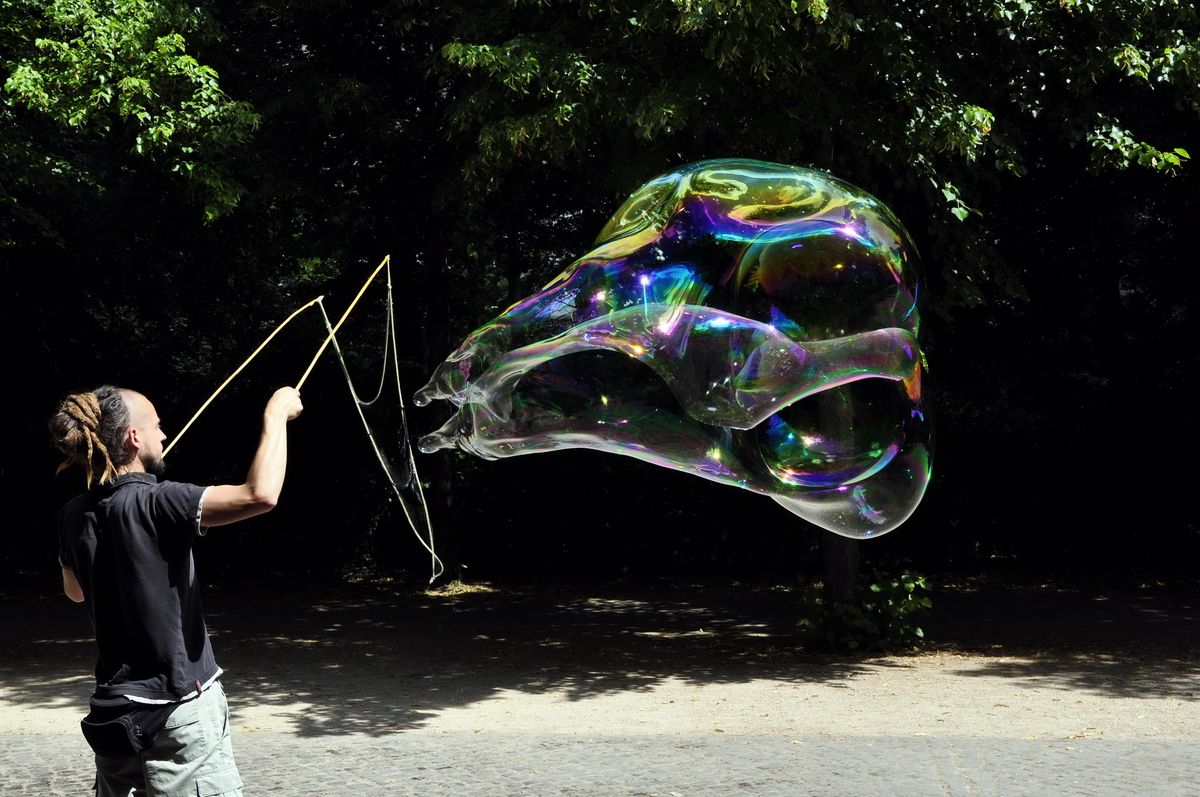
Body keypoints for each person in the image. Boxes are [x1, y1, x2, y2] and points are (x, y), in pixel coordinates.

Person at [49, 384, 303, 797]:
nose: (164, 435)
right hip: (178, 711)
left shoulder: (72, 514)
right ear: (134, 437)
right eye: (157, 427)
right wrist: (274, 416)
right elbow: (260, 494)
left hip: (115, 717)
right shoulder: (160, 502)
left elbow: (75, 592)